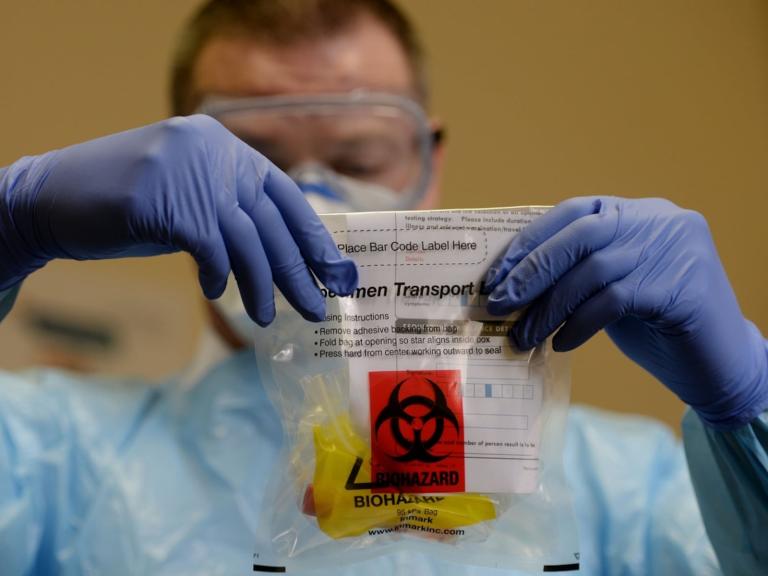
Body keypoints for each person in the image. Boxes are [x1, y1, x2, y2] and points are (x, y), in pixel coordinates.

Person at [0, 0, 765, 574]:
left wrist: (750, 405)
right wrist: (13, 224)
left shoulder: (618, 488)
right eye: (249, 162)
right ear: (167, 185)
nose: (308, 202)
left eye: (359, 160)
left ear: (427, 165)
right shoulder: (54, 460)